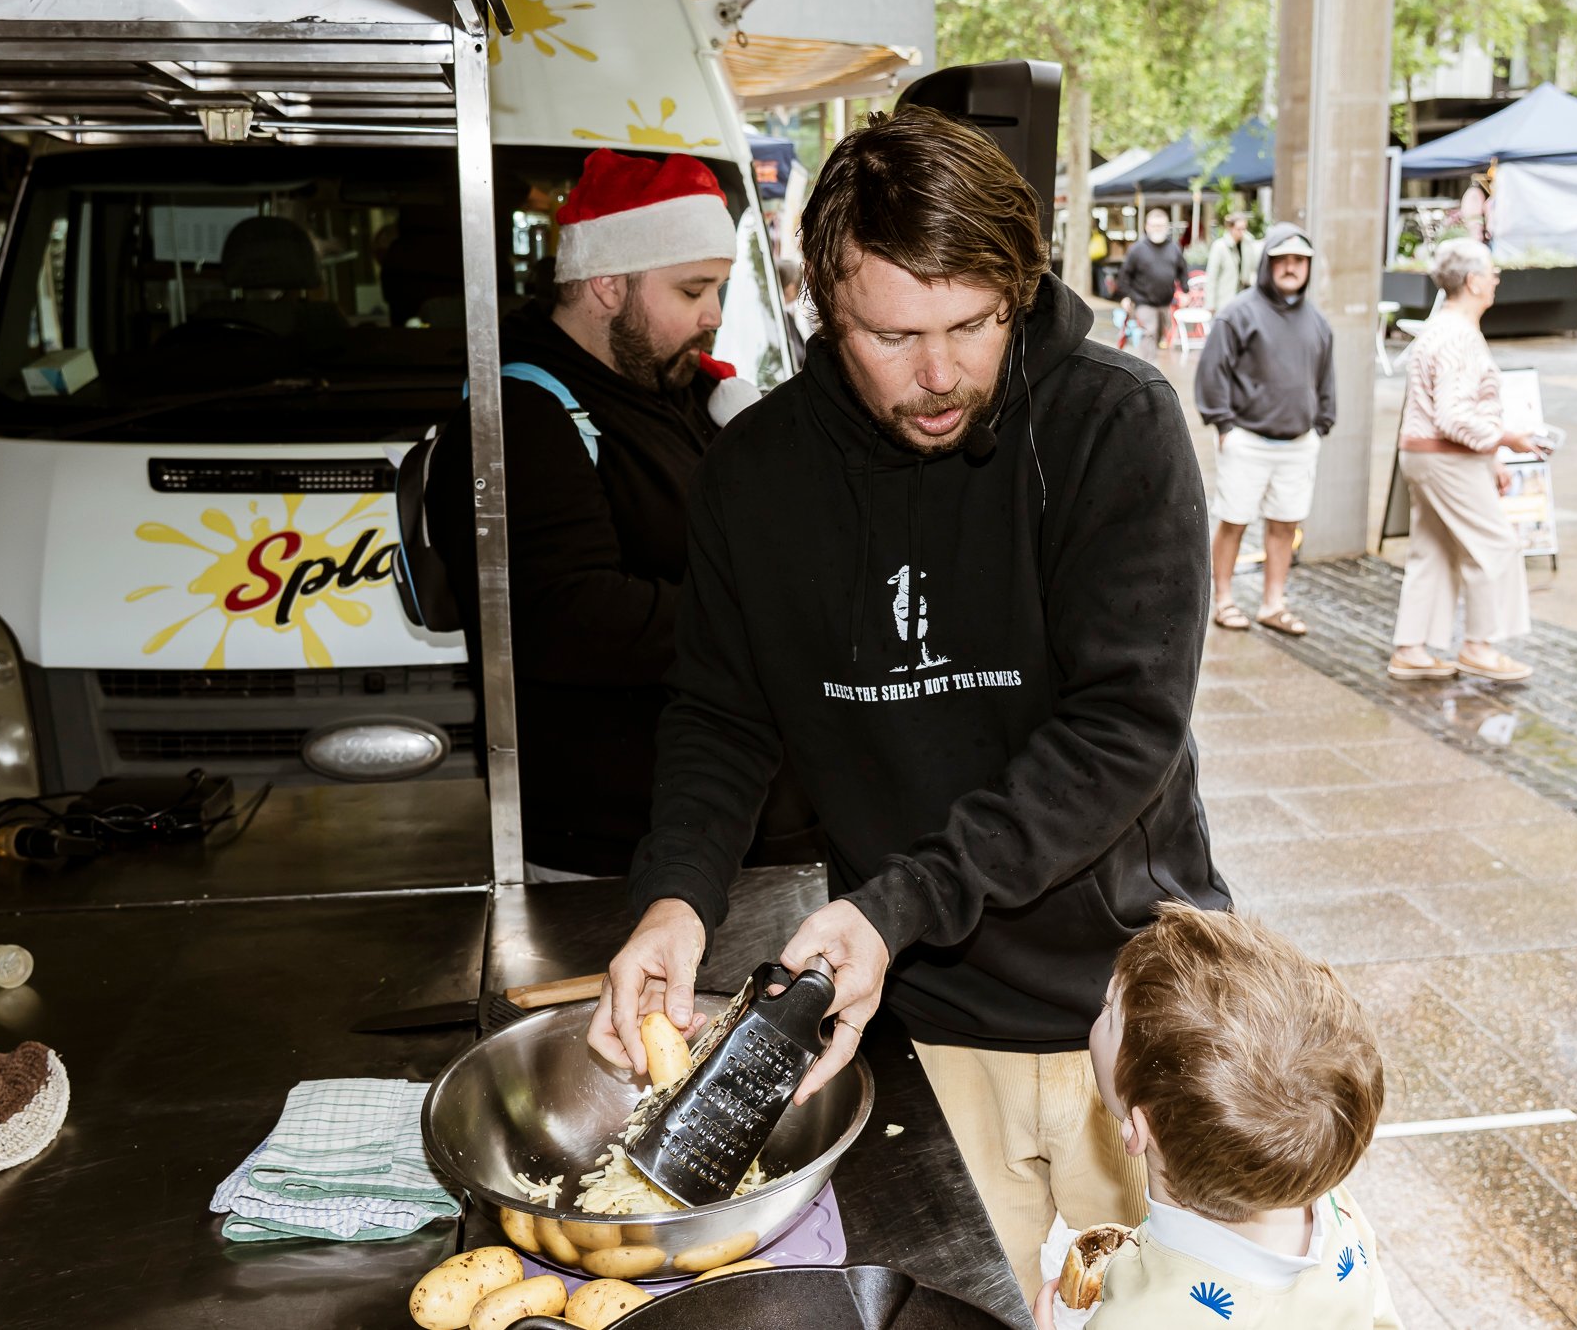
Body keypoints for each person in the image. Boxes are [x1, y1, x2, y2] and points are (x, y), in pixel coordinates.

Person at [585, 107, 1226, 1302]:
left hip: (1126, 1011)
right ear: (822, 308)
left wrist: (897, 902)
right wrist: (674, 896)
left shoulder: (1112, 425)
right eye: (890, 335)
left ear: (1018, 291)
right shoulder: (757, 473)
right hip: (914, 1021)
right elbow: (720, 715)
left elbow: (1121, 728)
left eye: (973, 325)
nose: (938, 376)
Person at [425, 148, 763, 879]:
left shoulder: (671, 392)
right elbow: (568, 614)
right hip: (603, 853)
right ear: (608, 284)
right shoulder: (517, 419)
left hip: (705, 830)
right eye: (693, 289)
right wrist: (766, 617)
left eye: (720, 290)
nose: (713, 315)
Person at [1032, 903, 1401, 1329]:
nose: (1106, 996)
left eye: (1110, 1009)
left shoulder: (1139, 1318)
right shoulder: (1340, 1215)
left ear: (1138, 1130)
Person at [1388, 239, 1549, 683]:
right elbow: (1454, 415)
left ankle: (1411, 648)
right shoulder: (1458, 334)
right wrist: (1505, 439)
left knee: (1432, 551)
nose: (1496, 279)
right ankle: (1480, 645)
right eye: (1492, 273)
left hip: (1427, 457)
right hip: (1447, 458)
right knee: (1496, 546)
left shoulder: (1441, 329)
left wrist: (1490, 454)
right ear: (1473, 281)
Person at [1194, 224, 1334, 637]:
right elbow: (1211, 372)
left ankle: (1274, 604)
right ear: (1268, 263)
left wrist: (1321, 424)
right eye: (1283, 259)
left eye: (1299, 261)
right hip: (1248, 442)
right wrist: (1225, 426)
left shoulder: (1317, 322)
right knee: (1234, 520)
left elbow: (1326, 378)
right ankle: (1223, 600)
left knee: (1285, 523)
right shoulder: (1238, 313)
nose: (1291, 268)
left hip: (1298, 444)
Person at [1117, 208, 1187, 363]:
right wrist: (1125, 297)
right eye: (1154, 225)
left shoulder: (1174, 248)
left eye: (1161, 225)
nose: (1157, 229)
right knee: (1150, 332)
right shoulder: (1137, 249)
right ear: (1147, 227)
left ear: (1167, 227)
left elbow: (1182, 270)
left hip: (1165, 302)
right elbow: (1124, 275)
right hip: (1143, 301)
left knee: (1159, 335)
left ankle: (1149, 364)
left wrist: (1185, 291)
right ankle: (1148, 369)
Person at [1203, 211, 1260, 317]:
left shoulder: (1248, 245)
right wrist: (1210, 304)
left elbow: (1253, 267)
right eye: (1239, 229)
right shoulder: (1219, 246)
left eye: (1244, 228)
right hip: (1225, 298)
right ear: (1230, 228)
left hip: (1244, 297)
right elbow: (1212, 276)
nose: (1242, 232)